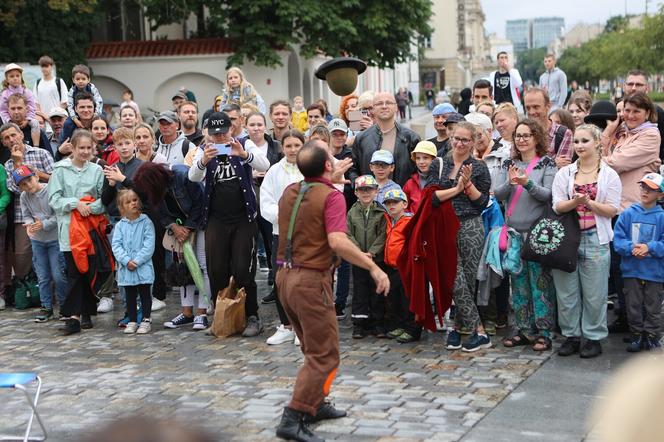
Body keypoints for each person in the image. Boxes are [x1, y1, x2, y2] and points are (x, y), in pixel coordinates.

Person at [274, 140, 389, 442]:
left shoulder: (290, 192)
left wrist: (331, 178)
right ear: (327, 165)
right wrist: (373, 267)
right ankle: (294, 415)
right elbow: (337, 241)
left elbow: (310, 193)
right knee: (324, 354)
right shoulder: (331, 197)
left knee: (311, 347)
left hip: (285, 278)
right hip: (311, 282)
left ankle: (316, 403)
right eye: (331, 158)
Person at [189, 112, 270, 337]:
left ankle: (252, 316)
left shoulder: (245, 144)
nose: (220, 138)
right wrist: (204, 160)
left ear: (232, 129)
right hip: (216, 218)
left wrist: (243, 155)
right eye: (215, 134)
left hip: (243, 217)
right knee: (216, 269)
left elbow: (266, 163)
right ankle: (220, 316)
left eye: (223, 133)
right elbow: (193, 177)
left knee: (244, 268)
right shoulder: (203, 149)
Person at [550, 124, 621, 358]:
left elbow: (611, 209)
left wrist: (589, 203)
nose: (579, 146)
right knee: (566, 292)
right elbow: (557, 205)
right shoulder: (565, 173)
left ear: (597, 143)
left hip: (595, 238)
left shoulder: (609, 174)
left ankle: (593, 337)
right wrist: (575, 202)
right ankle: (571, 335)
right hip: (568, 239)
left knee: (595, 293)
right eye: (577, 142)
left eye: (585, 141)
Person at [427, 121, 491, 351]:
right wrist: (456, 189)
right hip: (445, 226)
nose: (460, 143)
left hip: (471, 225)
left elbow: (483, 202)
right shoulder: (439, 163)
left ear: (473, 142)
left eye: (465, 140)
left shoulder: (479, 167)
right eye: (457, 138)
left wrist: (468, 185)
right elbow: (432, 198)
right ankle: (479, 330)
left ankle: (457, 328)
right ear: (451, 138)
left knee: (467, 278)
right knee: (454, 278)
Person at [494, 119, 557, 351]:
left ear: (536, 138)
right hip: (514, 233)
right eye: (518, 135)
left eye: (526, 135)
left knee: (540, 284)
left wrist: (528, 183)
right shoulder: (509, 162)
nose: (521, 139)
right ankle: (524, 329)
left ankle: (545, 331)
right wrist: (511, 183)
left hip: (537, 234)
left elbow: (548, 195)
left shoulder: (547, 163)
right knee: (518, 284)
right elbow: (498, 193)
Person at [133, 162, 210, 330]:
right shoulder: (156, 191)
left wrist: (188, 228)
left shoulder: (182, 175)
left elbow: (201, 202)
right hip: (178, 230)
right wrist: (175, 227)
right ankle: (187, 312)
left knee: (202, 266)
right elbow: (160, 212)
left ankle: (202, 312)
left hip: (201, 225)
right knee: (183, 267)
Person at [48, 129, 105, 335]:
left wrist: (91, 207)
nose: (85, 151)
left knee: (88, 271)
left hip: (89, 229)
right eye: (81, 147)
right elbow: (54, 199)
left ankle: (86, 311)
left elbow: (102, 199)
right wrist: (74, 203)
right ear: (72, 147)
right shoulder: (60, 170)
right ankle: (73, 316)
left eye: (89, 148)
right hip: (69, 231)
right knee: (73, 271)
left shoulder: (97, 171)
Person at [260, 130, 304, 345]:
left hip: (306, 235)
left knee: (302, 281)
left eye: (297, 145)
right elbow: (266, 199)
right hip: (281, 233)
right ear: (282, 148)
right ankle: (286, 325)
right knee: (281, 280)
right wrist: (282, 216)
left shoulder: (310, 169)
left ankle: (302, 327)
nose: (293, 149)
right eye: (289, 146)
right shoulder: (274, 171)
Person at [613, 172, 664, 352]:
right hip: (631, 270)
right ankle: (636, 334)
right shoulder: (628, 214)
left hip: (654, 272)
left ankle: (652, 336)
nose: (645, 191)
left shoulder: (661, 217)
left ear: (660, 195)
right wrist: (632, 248)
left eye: (651, 189)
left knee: (653, 306)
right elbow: (618, 240)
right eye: (643, 187)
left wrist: (649, 247)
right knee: (633, 304)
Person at [3, 122, 55, 281]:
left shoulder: (42, 153)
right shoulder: (8, 164)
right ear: (3, 143)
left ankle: (51, 293)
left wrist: (37, 173)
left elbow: (57, 179)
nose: (11, 140)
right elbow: (16, 189)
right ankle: (30, 291)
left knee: (52, 255)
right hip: (23, 216)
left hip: (49, 212)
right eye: (6, 138)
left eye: (13, 135)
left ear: (21, 135)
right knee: (22, 257)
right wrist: (17, 164)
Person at [15, 164, 66, 322]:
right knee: (42, 276)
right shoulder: (24, 197)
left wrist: (43, 224)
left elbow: (59, 216)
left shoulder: (50, 191)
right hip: (38, 241)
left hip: (54, 240)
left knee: (58, 275)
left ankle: (65, 306)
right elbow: (27, 214)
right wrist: (30, 224)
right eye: (23, 184)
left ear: (36, 176)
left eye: (29, 180)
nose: (28, 185)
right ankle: (46, 307)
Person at [350, 91, 420, 187]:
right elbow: (353, 170)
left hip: (402, 198)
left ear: (396, 107)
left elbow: (419, 171)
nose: (384, 106)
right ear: (373, 109)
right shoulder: (361, 138)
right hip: (369, 199)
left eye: (388, 103)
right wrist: (360, 185)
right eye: (379, 103)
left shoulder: (411, 138)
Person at [347, 175, 388, 338]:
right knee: (359, 291)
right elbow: (348, 233)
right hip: (358, 260)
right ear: (356, 192)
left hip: (375, 259)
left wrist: (372, 252)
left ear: (376, 191)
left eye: (369, 189)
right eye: (362, 190)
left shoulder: (381, 212)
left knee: (376, 291)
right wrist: (358, 253)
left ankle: (377, 323)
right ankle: (359, 324)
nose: (365, 193)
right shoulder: (352, 212)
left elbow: (383, 235)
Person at [111, 188, 155, 335]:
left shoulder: (146, 222)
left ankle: (146, 319)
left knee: (144, 294)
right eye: (128, 202)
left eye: (135, 200)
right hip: (126, 268)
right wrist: (125, 260)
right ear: (122, 207)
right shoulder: (120, 226)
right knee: (129, 294)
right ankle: (132, 319)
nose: (133, 204)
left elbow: (149, 245)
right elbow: (116, 245)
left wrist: (136, 261)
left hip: (142, 267)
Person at [382, 188, 420, 342]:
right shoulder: (389, 221)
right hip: (391, 267)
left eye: (395, 202)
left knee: (407, 300)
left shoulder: (409, 221)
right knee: (394, 299)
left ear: (404, 204)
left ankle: (412, 329)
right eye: (388, 203)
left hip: (405, 268)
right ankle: (400, 325)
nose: (391, 206)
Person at [524, 87, 573, 168]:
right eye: (528, 108)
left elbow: (563, 170)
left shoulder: (563, 134)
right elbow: (518, 169)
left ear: (548, 106)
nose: (531, 112)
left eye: (536, 107)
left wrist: (532, 165)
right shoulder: (521, 133)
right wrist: (553, 162)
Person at [622, 69, 664, 163]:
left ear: (647, 88)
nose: (633, 88)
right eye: (630, 84)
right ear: (624, 86)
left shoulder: (657, 112)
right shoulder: (616, 109)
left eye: (638, 85)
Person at [1, 64, 41, 148]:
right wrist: (9, 120)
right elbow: (3, 110)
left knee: (35, 123)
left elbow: (32, 107)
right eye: (12, 76)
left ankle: (36, 145)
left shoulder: (27, 92)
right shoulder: (4, 94)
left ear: (21, 77)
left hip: (26, 118)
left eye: (17, 76)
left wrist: (27, 119)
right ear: (7, 79)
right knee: (4, 128)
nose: (15, 78)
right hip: (10, 119)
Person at [403, 140, 436, 214]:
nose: (421, 162)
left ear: (434, 159)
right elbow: (404, 207)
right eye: (418, 158)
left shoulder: (440, 181)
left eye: (425, 158)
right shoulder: (410, 183)